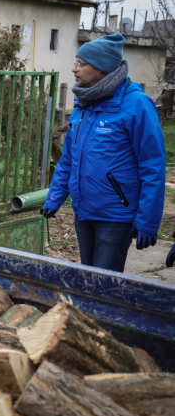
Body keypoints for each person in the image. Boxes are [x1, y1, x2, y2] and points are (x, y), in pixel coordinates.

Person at [43, 32, 165, 273]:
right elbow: (68, 158)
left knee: (104, 284)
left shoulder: (137, 105)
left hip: (115, 215)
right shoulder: (84, 103)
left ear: (102, 69)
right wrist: (55, 197)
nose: (74, 69)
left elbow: (153, 167)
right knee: (89, 277)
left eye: (81, 64)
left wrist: (148, 222)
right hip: (83, 211)